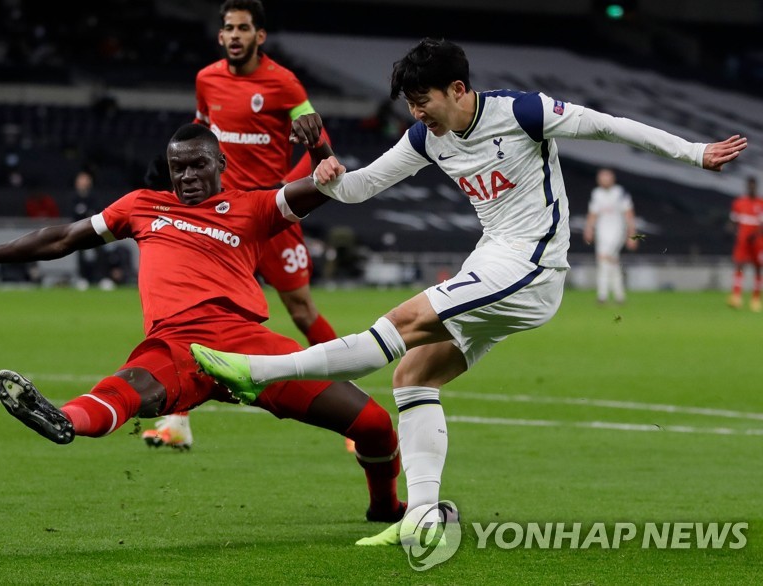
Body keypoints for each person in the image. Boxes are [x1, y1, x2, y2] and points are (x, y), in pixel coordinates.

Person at [191, 38, 748, 546]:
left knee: (398, 326)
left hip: (533, 265)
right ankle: (424, 519)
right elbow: (358, 189)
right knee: (413, 376)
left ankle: (256, 372)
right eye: (408, 103)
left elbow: (607, 126)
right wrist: (323, 166)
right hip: (493, 260)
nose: (415, 112)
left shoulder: (524, 113)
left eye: (422, 99)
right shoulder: (426, 137)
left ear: (458, 89)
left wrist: (693, 153)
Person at [0, 124, 405, 522]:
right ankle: (64, 419)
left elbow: (326, 184)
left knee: (375, 425)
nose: (185, 177)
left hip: (249, 346)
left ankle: (384, 506)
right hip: (177, 344)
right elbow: (62, 238)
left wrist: (319, 147)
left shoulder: (252, 207)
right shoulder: (142, 206)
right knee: (128, 389)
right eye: (177, 168)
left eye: (196, 166)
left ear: (221, 163)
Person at [142, 0, 341, 450]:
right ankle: (176, 423)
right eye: (228, 29)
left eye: (243, 29)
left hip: (267, 218)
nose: (235, 36)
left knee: (302, 311)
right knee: (188, 315)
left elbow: (321, 143)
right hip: (216, 220)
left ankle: (345, 399)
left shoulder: (284, 84)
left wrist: (280, 197)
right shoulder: (206, 80)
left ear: (260, 35)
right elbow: (199, 131)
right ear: (220, 35)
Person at [583, 168, 637, 304]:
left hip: (617, 232)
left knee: (604, 260)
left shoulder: (620, 192)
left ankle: (602, 295)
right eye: (601, 177)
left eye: (606, 177)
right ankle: (619, 296)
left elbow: (629, 214)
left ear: (612, 178)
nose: (604, 180)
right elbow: (593, 214)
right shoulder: (597, 194)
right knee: (611, 263)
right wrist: (588, 229)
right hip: (602, 233)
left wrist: (632, 234)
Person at [728, 177, 763, 311]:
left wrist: (756, 234)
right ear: (747, 186)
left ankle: (755, 299)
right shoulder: (739, 203)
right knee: (739, 265)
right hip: (743, 240)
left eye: (753, 186)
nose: (751, 188)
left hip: (758, 241)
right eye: (749, 185)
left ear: (756, 187)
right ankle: (736, 297)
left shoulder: (761, 203)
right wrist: (729, 230)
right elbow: (733, 220)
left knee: (758, 268)